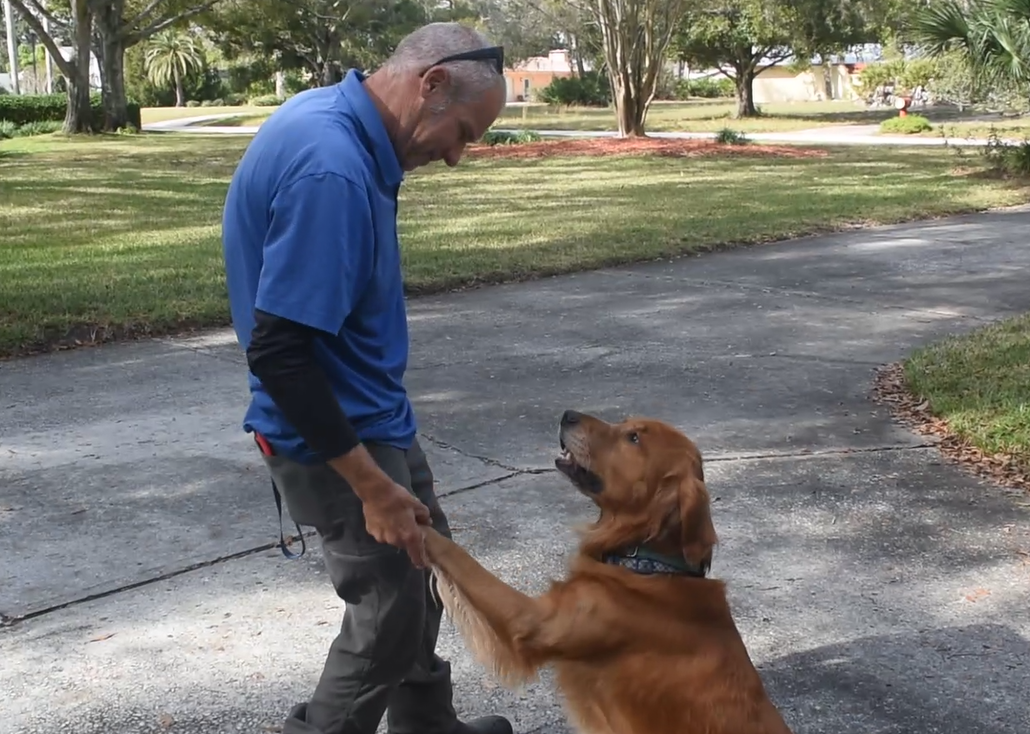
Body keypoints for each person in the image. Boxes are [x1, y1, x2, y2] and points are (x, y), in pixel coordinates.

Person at [220, 21, 512, 734]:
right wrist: (371, 485)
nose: (456, 158)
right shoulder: (333, 169)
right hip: (331, 434)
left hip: (372, 413)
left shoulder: (338, 122)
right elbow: (280, 352)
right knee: (388, 615)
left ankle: (426, 726)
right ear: (432, 83)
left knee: (427, 577)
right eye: (465, 134)